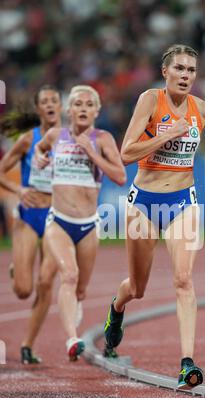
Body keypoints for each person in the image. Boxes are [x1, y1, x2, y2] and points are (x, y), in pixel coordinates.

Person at [104, 44, 205, 388]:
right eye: (180, 69)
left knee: (184, 280)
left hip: (183, 202)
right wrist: (164, 136)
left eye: (191, 70)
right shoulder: (149, 100)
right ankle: (116, 309)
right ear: (166, 72)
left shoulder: (202, 109)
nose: (186, 75)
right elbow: (125, 154)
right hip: (143, 203)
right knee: (137, 288)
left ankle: (187, 361)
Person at [35, 85, 126, 361]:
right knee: (69, 275)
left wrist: (91, 152)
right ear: (69, 110)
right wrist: (40, 157)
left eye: (89, 104)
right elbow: (41, 149)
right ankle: (72, 339)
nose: (83, 108)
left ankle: (76, 305)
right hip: (59, 221)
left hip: (88, 224)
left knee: (81, 288)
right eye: (78, 104)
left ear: (96, 111)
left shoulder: (103, 138)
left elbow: (121, 176)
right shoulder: (55, 135)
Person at [0, 85, 62, 364]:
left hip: (56, 218)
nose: (50, 104)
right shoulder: (28, 139)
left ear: (60, 106)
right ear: (39, 109)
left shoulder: (72, 140)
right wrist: (17, 191)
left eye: (54, 100)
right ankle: (17, 270)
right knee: (24, 290)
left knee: (46, 282)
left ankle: (27, 344)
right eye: (45, 101)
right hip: (28, 216)